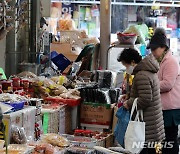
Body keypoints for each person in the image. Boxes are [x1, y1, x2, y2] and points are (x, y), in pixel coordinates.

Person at [118, 48, 165, 154]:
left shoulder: (141, 75)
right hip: (154, 121)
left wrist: (129, 103)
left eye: (126, 65)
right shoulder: (149, 71)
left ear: (133, 62)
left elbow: (145, 99)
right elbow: (146, 92)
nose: (126, 69)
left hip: (147, 125)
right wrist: (129, 95)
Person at [148, 28, 180, 154]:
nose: (153, 52)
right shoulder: (160, 61)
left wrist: (150, 85)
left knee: (170, 139)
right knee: (164, 140)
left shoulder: (171, 61)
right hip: (162, 107)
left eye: (154, 49)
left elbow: (167, 84)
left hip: (170, 109)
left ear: (163, 47)